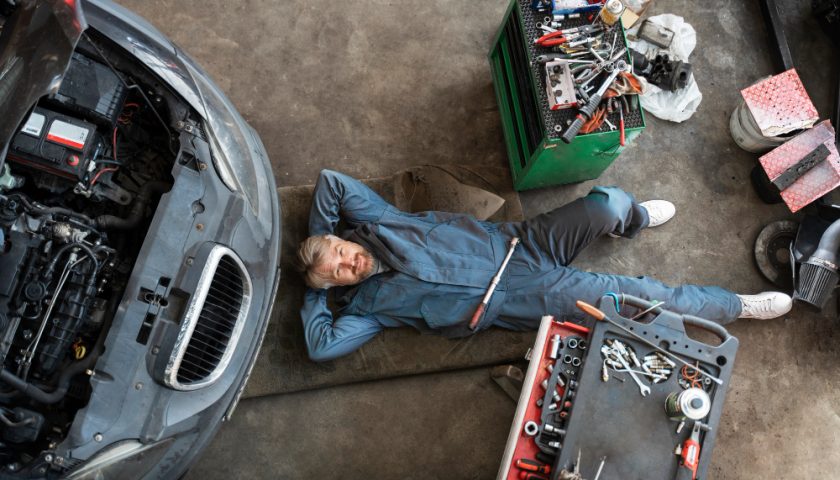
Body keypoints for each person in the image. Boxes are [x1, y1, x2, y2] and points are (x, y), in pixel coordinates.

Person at [296, 169, 792, 361]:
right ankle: (734, 306)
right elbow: (321, 346)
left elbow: (330, 183)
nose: (348, 263)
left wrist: (317, 239)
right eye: (338, 272)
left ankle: (633, 219)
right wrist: (316, 289)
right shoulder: (368, 309)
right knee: (642, 303)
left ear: (341, 237)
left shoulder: (380, 221)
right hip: (525, 299)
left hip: (522, 244)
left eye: (339, 251)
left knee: (608, 204)